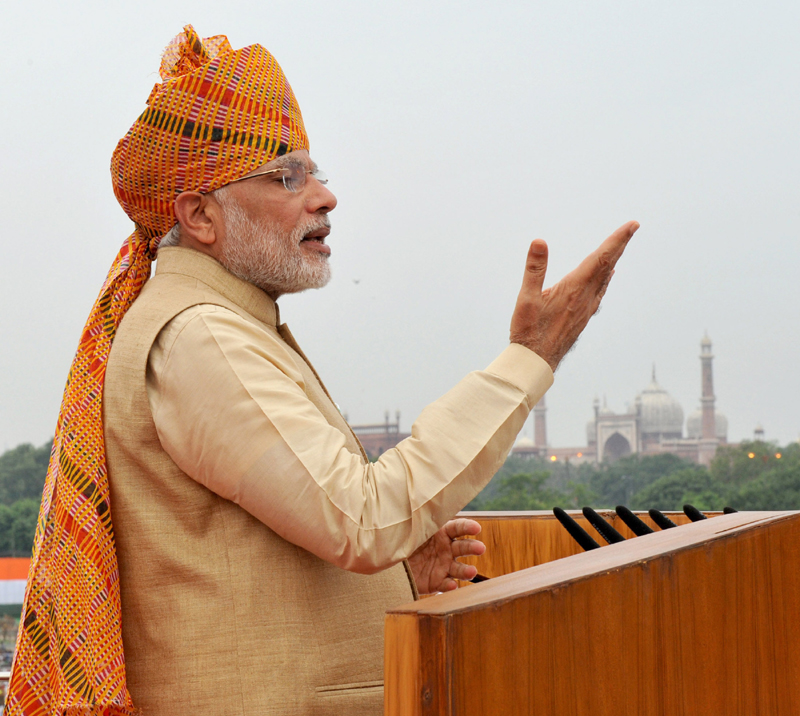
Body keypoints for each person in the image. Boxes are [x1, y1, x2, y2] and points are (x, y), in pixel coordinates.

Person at [7, 25, 637, 716]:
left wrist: (395, 579)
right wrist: (529, 360)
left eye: (315, 173)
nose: (324, 197)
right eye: (288, 176)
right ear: (201, 216)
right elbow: (359, 519)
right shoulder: (199, 335)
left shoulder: (226, 323)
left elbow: (272, 551)